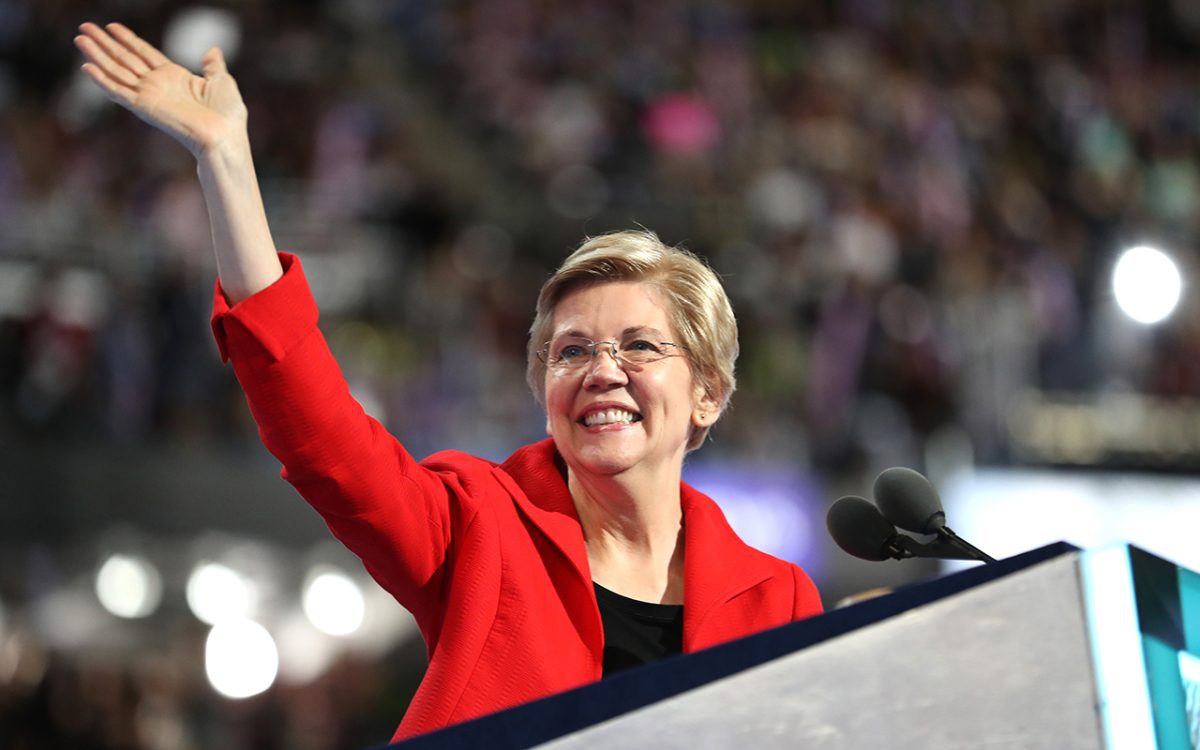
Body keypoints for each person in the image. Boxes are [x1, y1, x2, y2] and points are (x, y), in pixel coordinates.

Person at [74, 22, 823, 743]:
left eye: (639, 346)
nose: (601, 371)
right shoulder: (481, 525)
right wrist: (226, 161)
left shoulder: (777, 600)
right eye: (571, 352)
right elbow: (324, 437)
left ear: (707, 393)